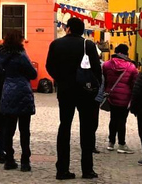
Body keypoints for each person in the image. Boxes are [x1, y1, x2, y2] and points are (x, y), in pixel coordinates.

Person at [45, 17, 102, 180]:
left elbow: (49, 66)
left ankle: (62, 169)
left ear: (68, 28)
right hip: (85, 92)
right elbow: (97, 70)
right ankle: (87, 170)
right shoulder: (88, 45)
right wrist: (93, 86)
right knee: (87, 129)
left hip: (65, 91)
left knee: (64, 127)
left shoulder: (56, 44)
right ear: (82, 30)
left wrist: (61, 79)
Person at [0, 30, 37, 172]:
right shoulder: (21, 55)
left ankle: (9, 159)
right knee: (24, 130)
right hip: (22, 92)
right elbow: (33, 74)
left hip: (8, 92)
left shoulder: (2, 56)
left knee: (8, 129)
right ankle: (25, 161)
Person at [101, 43, 138, 154]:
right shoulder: (131, 67)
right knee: (122, 120)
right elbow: (134, 83)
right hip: (125, 98)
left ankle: (111, 142)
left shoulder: (106, 65)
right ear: (126, 53)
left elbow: (105, 79)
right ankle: (121, 144)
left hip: (111, 95)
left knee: (113, 119)